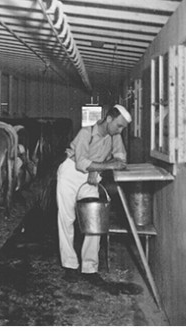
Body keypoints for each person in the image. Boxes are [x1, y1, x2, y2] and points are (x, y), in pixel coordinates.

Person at [55, 104, 137, 294]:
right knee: (67, 219)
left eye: (123, 127)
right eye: (119, 125)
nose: (120, 130)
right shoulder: (86, 133)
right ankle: (70, 265)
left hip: (92, 176)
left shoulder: (115, 136)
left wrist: (97, 169)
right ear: (108, 119)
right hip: (70, 173)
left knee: (94, 220)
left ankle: (90, 268)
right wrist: (101, 166)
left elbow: (121, 160)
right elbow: (81, 163)